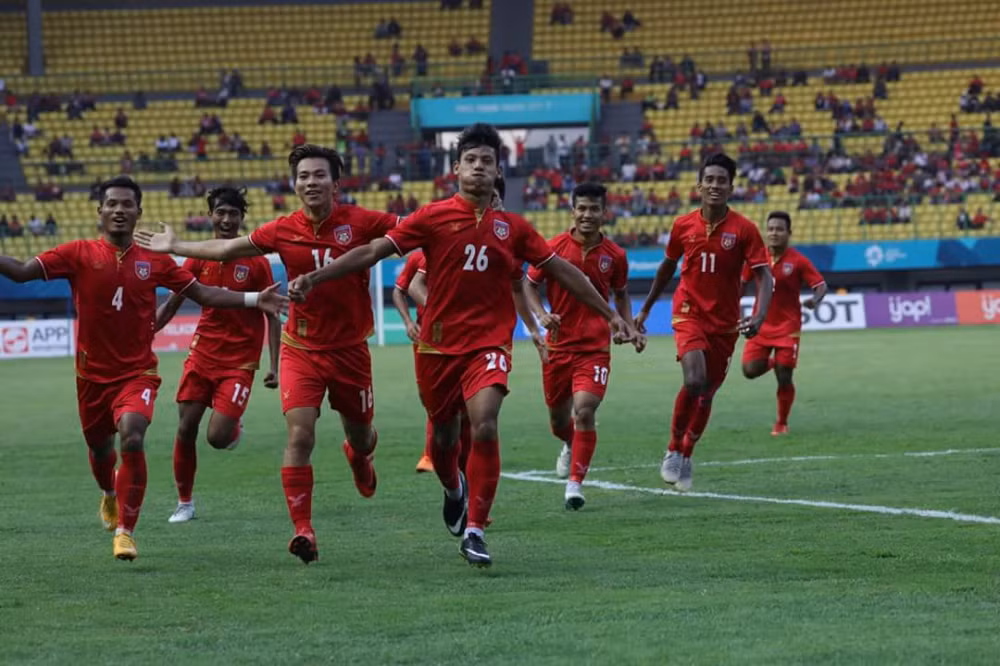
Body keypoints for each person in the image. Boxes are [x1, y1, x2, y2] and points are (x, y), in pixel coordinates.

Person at [287, 123, 634, 567]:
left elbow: (567, 275)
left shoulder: (515, 229)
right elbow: (373, 252)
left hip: (488, 344)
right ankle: (453, 490)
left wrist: (611, 316)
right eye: (471, 160)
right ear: (456, 169)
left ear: (496, 171)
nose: (478, 168)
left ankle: (475, 529)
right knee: (446, 441)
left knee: (485, 423)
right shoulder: (431, 217)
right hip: (437, 349)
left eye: (487, 161)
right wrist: (316, 276)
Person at [135, 145, 400, 565]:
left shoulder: (364, 221)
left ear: (336, 182)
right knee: (300, 436)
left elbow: (415, 229)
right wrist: (176, 244)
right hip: (302, 349)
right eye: (302, 176)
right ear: (294, 185)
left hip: (350, 350)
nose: (310, 182)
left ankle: (359, 455)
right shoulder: (282, 229)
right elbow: (225, 249)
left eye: (318, 175)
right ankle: (303, 531)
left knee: (361, 436)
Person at [0, 176, 286, 561]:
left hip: (138, 373)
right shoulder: (76, 253)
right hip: (91, 378)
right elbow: (19, 271)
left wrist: (254, 299)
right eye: (112, 204)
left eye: (127, 204)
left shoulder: (156, 261)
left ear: (139, 212)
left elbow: (201, 294)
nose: (119, 210)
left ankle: (125, 533)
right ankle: (108, 494)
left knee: (132, 436)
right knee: (101, 451)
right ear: (99, 210)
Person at [635, 153, 773, 491]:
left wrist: (758, 316)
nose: (714, 185)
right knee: (694, 379)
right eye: (709, 179)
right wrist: (647, 309)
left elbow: (764, 277)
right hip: (688, 311)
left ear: (731, 186)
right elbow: (666, 269)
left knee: (707, 392)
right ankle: (671, 449)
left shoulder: (744, 229)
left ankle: (686, 452)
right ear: (699, 185)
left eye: (721, 180)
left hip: (725, 323)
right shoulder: (683, 225)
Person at [394, 178, 545, 477]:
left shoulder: (505, 242)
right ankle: (446, 471)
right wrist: (418, 320)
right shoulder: (441, 240)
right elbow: (409, 286)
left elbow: (518, 288)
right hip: (436, 337)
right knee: (443, 413)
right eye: (492, 200)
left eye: (498, 200)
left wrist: (535, 328)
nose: (494, 205)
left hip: (485, 339)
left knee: (478, 417)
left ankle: (472, 498)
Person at [153, 186, 282, 522]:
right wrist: (145, 331)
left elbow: (271, 312)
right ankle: (185, 503)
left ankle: (233, 428)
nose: (226, 219)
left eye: (233, 214)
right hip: (202, 354)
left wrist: (274, 365)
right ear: (210, 215)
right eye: (220, 212)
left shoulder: (256, 263)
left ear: (242, 218)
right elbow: (172, 304)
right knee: (185, 428)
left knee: (217, 438)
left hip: (239, 361)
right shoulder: (197, 259)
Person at [523, 181, 645, 509]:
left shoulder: (616, 256)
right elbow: (529, 285)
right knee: (559, 422)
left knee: (585, 410)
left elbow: (620, 295)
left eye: (594, 209)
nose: (587, 215)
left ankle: (574, 485)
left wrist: (628, 328)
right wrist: (541, 314)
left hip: (594, 348)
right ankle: (568, 444)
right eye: (582, 208)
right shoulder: (553, 248)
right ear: (572, 211)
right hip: (558, 347)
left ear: (606, 213)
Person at [740, 211, 826, 435]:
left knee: (785, 376)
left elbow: (820, 285)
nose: (774, 233)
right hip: (760, 323)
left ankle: (781, 422)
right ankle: (774, 362)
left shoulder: (798, 261)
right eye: (770, 229)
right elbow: (741, 284)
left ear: (789, 233)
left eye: (779, 229)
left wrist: (815, 300)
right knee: (749, 371)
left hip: (788, 327)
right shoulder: (757, 258)